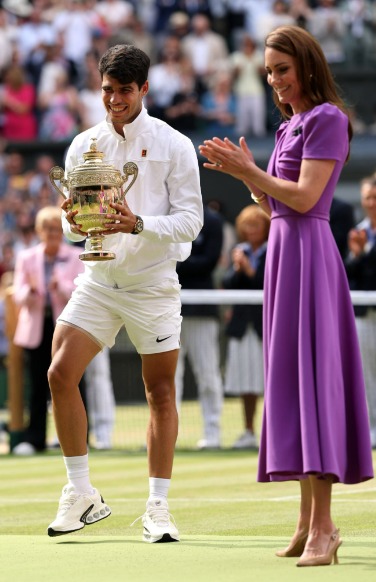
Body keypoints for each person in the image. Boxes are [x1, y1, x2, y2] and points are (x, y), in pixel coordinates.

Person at [199, 25, 373, 568]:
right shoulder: (289, 125)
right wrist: (251, 180)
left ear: (307, 67)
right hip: (285, 258)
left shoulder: (327, 119)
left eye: (282, 70)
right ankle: (306, 522)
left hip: (311, 259)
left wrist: (251, 173)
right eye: (269, 73)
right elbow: (279, 205)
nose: (274, 81)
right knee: (295, 386)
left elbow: (305, 198)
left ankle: (325, 528)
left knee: (313, 386)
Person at [47, 44, 203, 542]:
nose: (113, 100)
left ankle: (158, 507)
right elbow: (78, 231)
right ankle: (82, 494)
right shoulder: (82, 145)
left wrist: (136, 223)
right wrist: (75, 224)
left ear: (144, 91)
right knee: (59, 373)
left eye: (123, 91)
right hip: (98, 282)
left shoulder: (174, 144)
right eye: (107, 90)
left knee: (159, 392)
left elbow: (191, 222)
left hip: (153, 284)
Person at [11, 206, 84, 455]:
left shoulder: (75, 256)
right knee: (38, 385)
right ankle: (35, 439)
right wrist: (29, 292)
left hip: (67, 328)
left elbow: (81, 292)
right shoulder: (26, 257)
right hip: (37, 328)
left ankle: (78, 439)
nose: (53, 233)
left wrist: (60, 286)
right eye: (48, 229)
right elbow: (18, 292)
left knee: (73, 382)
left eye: (57, 228)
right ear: (39, 231)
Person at [175, 205, 224, 450]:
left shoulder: (212, 220)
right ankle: (166, 435)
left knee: (207, 373)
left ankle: (213, 433)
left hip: (201, 310)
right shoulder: (164, 214)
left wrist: (176, 260)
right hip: (166, 307)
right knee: (168, 376)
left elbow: (209, 261)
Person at [222, 205, 270, 450]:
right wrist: (238, 269)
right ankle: (249, 431)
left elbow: (270, 282)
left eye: (256, 225)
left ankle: (272, 432)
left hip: (267, 325)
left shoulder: (273, 250)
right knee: (245, 381)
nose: (251, 230)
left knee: (269, 380)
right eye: (247, 225)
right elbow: (227, 282)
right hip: (242, 326)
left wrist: (251, 270)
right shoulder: (237, 250)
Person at [345, 174, 376, 448]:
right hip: (365, 315)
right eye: (368, 197)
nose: (371, 203)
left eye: (375, 198)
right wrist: (356, 254)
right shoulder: (357, 231)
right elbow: (350, 274)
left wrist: (366, 252)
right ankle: (371, 429)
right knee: (366, 374)